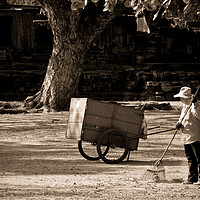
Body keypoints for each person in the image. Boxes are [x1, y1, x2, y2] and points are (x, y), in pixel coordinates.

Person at [174, 86, 200, 185]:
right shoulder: (184, 107)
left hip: (196, 137)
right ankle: (192, 178)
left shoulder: (196, 106)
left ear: (187, 98)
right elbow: (182, 118)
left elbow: (198, 116)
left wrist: (195, 104)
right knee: (191, 159)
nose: (180, 100)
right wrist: (178, 123)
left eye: (182, 98)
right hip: (186, 137)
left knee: (199, 159)